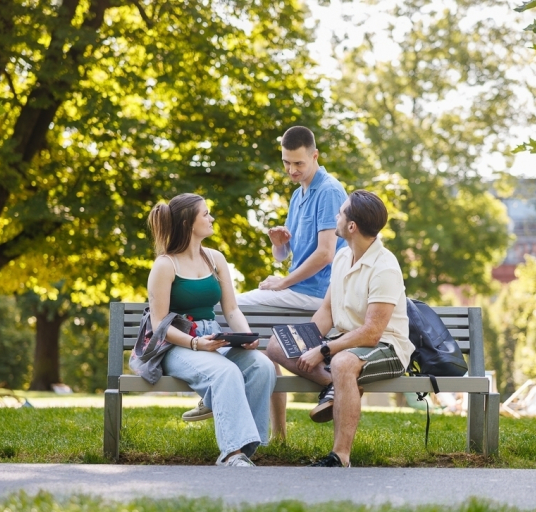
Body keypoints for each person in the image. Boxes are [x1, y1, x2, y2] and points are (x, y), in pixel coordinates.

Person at [183, 126, 348, 437]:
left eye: (299, 163)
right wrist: (279, 244)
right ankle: (279, 436)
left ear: (315, 156)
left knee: (224, 307)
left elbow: (326, 254)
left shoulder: (328, 190)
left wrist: (283, 282)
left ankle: (211, 390)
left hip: (317, 295)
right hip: (300, 289)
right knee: (261, 346)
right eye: (286, 162)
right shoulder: (298, 194)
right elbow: (288, 256)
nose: (291, 170)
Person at [266, 190, 414, 467]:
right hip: (345, 341)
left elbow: (372, 333)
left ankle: (340, 456)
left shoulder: (385, 268)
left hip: (387, 347)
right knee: (276, 344)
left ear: (351, 226)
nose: (336, 215)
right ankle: (334, 386)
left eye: (341, 212)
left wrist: (322, 351)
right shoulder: (344, 256)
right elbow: (326, 311)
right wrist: (305, 342)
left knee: (344, 363)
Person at [146, 193, 276, 467]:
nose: (211, 218)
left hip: (213, 338)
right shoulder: (165, 265)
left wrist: (248, 337)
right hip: (179, 345)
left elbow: (231, 310)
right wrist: (195, 344)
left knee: (261, 366)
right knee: (225, 372)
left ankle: (245, 451)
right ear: (187, 222)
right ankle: (231, 454)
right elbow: (159, 325)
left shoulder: (215, 259)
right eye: (205, 214)